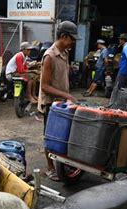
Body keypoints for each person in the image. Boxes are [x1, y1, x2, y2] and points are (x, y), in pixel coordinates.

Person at [38, 21, 79, 181]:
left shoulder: (65, 53)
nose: (74, 42)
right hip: (51, 104)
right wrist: (66, 95)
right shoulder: (49, 56)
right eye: (72, 39)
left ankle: (61, 163)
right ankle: (50, 168)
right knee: (51, 137)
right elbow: (44, 86)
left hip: (62, 103)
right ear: (63, 37)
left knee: (63, 135)